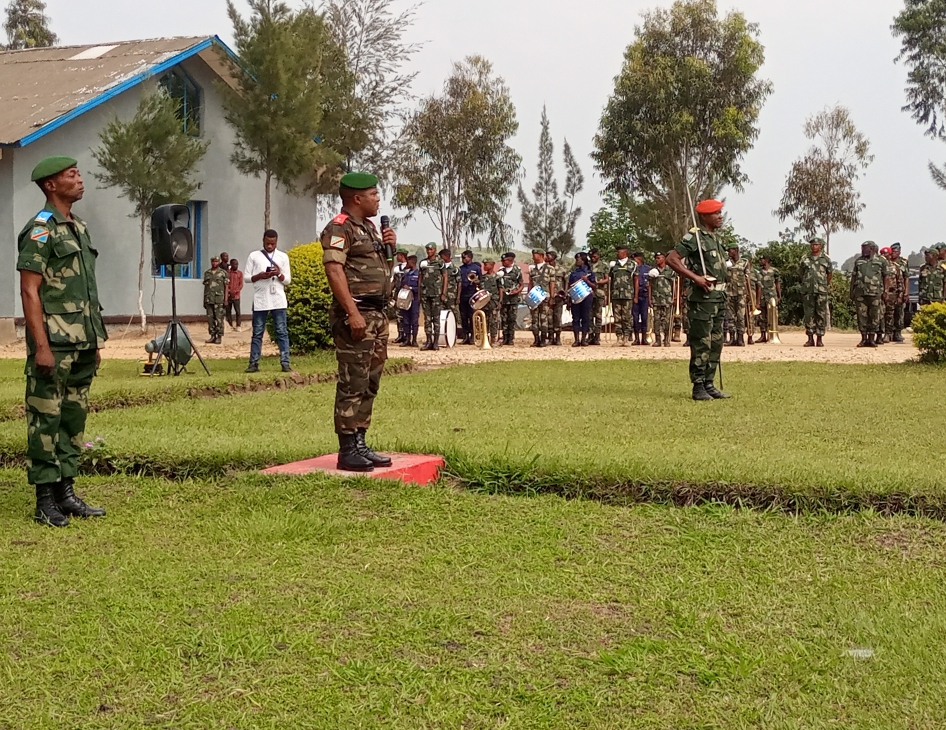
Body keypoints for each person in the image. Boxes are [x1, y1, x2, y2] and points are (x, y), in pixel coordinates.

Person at [17, 156, 107, 527]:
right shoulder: (41, 229)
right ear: (51, 185)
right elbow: (29, 289)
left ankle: (66, 492)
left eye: (79, 173)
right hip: (53, 341)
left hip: (83, 341)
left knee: (73, 417)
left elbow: (85, 289)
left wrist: (96, 341)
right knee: (45, 418)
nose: (80, 179)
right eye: (72, 175)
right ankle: (44, 499)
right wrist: (41, 346)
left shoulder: (79, 228)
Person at [321, 172, 396, 472]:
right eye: (373, 194)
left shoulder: (369, 228)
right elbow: (334, 270)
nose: (378, 199)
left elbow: (381, 271)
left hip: (377, 315)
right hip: (358, 315)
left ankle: (361, 441)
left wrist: (391, 248)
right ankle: (347, 448)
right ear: (357, 198)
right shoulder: (340, 228)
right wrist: (352, 312)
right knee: (352, 381)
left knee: (370, 381)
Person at [667, 199, 731, 401]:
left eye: (720, 213)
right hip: (702, 299)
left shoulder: (715, 239)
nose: (720, 216)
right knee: (701, 342)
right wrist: (695, 278)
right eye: (716, 213)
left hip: (718, 297)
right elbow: (672, 259)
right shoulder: (695, 237)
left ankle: (709, 383)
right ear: (705, 216)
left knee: (716, 341)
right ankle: (698, 385)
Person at [244, 229, 292, 373]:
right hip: (261, 300)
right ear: (263, 240)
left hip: (278, 300)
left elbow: (288, 281)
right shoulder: (254, 256)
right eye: (267, 243)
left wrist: (279, 274)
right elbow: (246, 278)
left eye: (273, 243)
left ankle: (285, 362)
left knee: (282, 332)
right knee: (257, 333)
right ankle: (253, 363)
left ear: (276, 242)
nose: (270, 246)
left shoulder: (282, 257)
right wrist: (260, 275)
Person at [798, 237, 833, 347]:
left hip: (821, 291)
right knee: (809, 314)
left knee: (821, 314)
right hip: (808, 290)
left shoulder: (826, 259)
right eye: (813, 245)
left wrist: (824, 285)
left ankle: (819, 338)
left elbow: (829, 274)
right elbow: (801, 273)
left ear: (820, 246)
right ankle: (810, 338)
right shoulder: (805, 258)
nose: (814, 246)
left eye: (817, 244)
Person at [850, 241, 885, 348]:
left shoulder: (881, 261)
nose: (863, 250)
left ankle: (872, 339)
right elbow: (854, 277)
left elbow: (886, 277)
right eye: (862, 248)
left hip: (875, 293)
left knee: (874, 316)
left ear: (871, 249)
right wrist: (851, 292)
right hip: (860, 293)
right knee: (862, 316)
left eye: (865, 248)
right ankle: (863, 339)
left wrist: (886, 292)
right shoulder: (859, 261)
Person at [419, 243, 446, 350]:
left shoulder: (440, 263)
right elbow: (420, 278)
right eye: (427, 249)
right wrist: (419, 294)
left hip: (436, 294)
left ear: (435, 250)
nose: (429, 251)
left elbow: (445, 277)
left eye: (431, 249)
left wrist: (443, 293)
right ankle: (428, 340)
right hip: (425, 294)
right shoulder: (423, 263)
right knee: (427, 319)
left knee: (436, 318)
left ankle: (435, 342)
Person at [609, 246, 637, 346]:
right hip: (616, 294)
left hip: (628, 294)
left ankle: (626, 338)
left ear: (625, 253)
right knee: (617, 318)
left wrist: (636, 296)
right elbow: (611, 280)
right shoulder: (614, 265)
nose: (617, 254)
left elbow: (636, 280)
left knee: (627, 317)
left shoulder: (632, 264)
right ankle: (619, 338)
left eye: (619, 252)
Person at [567, 252, 595, 346]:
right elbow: (569, 287)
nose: (576, 261)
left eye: (578, 259)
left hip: (586, 298)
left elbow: (594, 286)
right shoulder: (573, 273)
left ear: (583, 260)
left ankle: (583, 339)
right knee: (575, 319)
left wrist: (587, 280)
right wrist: (568, 301)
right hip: (575, 298)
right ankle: (576, 340)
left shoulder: (590, 272)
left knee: (585, 318)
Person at [724, 244, 751, 346]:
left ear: (735, 250)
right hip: (729, 293)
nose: (728, 252)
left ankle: (740, 338)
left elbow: (748, 278)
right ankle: (732, 338)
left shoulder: (744, 262)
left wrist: (749, 294)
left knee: (740, 316)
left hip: (741, 293)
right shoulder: (726, 263)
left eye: (730, 250)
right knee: (730, 316)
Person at [528, 248, 555, 347]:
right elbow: (530, 283)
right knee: (534, 319)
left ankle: (543, 339)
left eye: (535, 254)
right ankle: (536, 339)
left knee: (544, 319)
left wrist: (552, 297)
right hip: (534, 296)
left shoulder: (550, 269)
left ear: (541, 255)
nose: (533, 256)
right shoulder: (532, 269)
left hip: (545, 296)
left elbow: (552, 283)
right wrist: (529, 295)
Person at [648, 252, 675, 347]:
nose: (657, 259)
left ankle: (666, 340)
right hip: (656, 299)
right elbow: (650, 286)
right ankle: (657, 340)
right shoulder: (653, 271)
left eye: (659, 258)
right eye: (656, 258)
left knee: (667, 321)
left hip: (667, 299)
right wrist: (650, 298)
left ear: (664, 258)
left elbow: (674, 285)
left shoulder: (670, 271)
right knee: (656, 321)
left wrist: (674, 297)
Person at [498, 252, 523, 346]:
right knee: (504, 319)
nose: (502, 262)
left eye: (504, 260)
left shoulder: (517, 270)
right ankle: (505, 338)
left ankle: (511, 338)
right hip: (504, 299)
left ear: (511, 260)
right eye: (502, 260)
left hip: (513, 299)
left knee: (512, 319)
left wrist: (516, 291)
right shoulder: (501, 270)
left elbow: (521, 284)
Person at [458, 250, 482, 345]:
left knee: (472, 316)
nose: (463, 259)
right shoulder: (460, 269)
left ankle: (473, 336)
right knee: (463, 317)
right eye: (462, 258)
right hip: (463, 295)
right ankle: (465, 336)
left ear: (470, 257)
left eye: (465, 257)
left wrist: (477, 282)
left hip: (472, 295)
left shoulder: (476, 268)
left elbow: (481, 280)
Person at [755, 254, 781, 343]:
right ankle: (763, 336)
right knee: (762, 317)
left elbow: (777, 283)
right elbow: (758, 287)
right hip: (762, 296)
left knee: (773, 316)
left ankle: (773, 335)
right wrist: (757, 301)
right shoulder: (759, 272)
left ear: (766, 260)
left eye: (762, 259)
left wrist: (779, 296)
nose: (760, 261)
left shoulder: (774, 271)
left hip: (772, 297)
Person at [202, 256, 228, 344]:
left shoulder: (223, 273)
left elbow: (227, 287)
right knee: (210, 318)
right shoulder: (207, 273)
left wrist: (226, 299)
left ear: (219, 262)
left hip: (219, 299)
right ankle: (212, 335)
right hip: (209, 299)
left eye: (216, 261)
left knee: (219, 318)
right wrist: (204, 300)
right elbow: (206, 288)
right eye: (213, 261)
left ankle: (219, 336)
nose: (214, 263)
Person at [546, 249, 567, 346]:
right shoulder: (545, 269)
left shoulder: (561, 269)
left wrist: (565, 293)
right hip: (549, 296)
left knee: (558, 317)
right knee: (549, 318)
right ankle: (550, 337)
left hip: (559, 296)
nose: (547, 257)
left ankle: (558, 337)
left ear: (554, 257)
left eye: (549, 255)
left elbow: (566, 281)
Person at [480, 258, 502, 346]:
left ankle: (493, 340)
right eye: (484, 264)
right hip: (484, 303)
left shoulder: (497, 277)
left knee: (494, 321)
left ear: (492, 265)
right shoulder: (483, 277)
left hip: (494, 301)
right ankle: (485, 339)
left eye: (486, 264)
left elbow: (500, 289)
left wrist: (500, 301)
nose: (484, 266)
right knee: (484, 321)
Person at [590, 248, 609, 345]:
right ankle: (590, 335)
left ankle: (597, 336)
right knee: (589, 315)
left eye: (594, 256)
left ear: (598, 255)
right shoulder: (588, 265)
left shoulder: (604, 265)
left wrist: (598, 282)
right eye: (591, 256)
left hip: (600, 292)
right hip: (588, 293)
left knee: (598, 315)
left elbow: (607, 279)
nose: (592, 258)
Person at [399, 255, 420, 348]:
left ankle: (414, 340)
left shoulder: (419, 274)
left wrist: (411, 288)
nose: (407, 264)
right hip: (405, 300)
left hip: (414, 299)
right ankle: (407, 339)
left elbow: (420, 287)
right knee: (406, 320)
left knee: (414, 320)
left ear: (413, 262)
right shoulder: (406, 274)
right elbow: (402, 284)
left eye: (408, 262)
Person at [890, 243, 909, 342]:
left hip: (900, 292)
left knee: (899, 312)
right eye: (892, 251)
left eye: (895, 251)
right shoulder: (887, 261)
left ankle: (897, 333)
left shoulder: (903, 262)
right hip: (890, 293)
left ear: (899, 252)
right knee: (889, 313)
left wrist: (906, 292)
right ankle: (889, 333)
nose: (893, 253)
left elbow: (906, 278)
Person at [440, 248, 461, 336]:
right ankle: (442, 333)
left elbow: (459, 283)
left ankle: (454, 333)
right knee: (441, 315)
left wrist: (458, 297)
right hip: (441, 295)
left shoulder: (455, 269)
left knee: (453, 314)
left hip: (451, 296)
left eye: (441, 257)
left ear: (446, 256)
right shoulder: (440, 268)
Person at [631, 251, 650, 345]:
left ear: (639, 258)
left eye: (635, 258)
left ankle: (644, 338)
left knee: (644, 317)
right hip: (635, 296)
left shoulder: (648, 269)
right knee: (635, 318)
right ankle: (636, 338)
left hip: (645, 295)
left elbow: (650, 284)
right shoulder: (632, 269)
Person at [390, 248, 409, 344]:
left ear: (401, 255)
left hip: (407, 295)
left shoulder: (410, 267)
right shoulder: (397, 268)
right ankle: (400, 334)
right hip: (398, 294)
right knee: (398, 315)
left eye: (398, 255)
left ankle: (407, 335)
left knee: (406, 315)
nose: (396, 257)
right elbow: (393, 281)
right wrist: (390, 292)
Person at [225, 257, 244, 332]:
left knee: (238, 311)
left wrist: (235, 291)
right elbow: (226, 283)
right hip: (229, 295)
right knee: (228, 311)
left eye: (237, 264)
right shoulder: (227, 273)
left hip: (236, 296)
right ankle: (230, 325)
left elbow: (241, 284)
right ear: (231, 264)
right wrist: (229, 291)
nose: (236, 265)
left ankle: (238, 325)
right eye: (234, 264)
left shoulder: (240, 273)